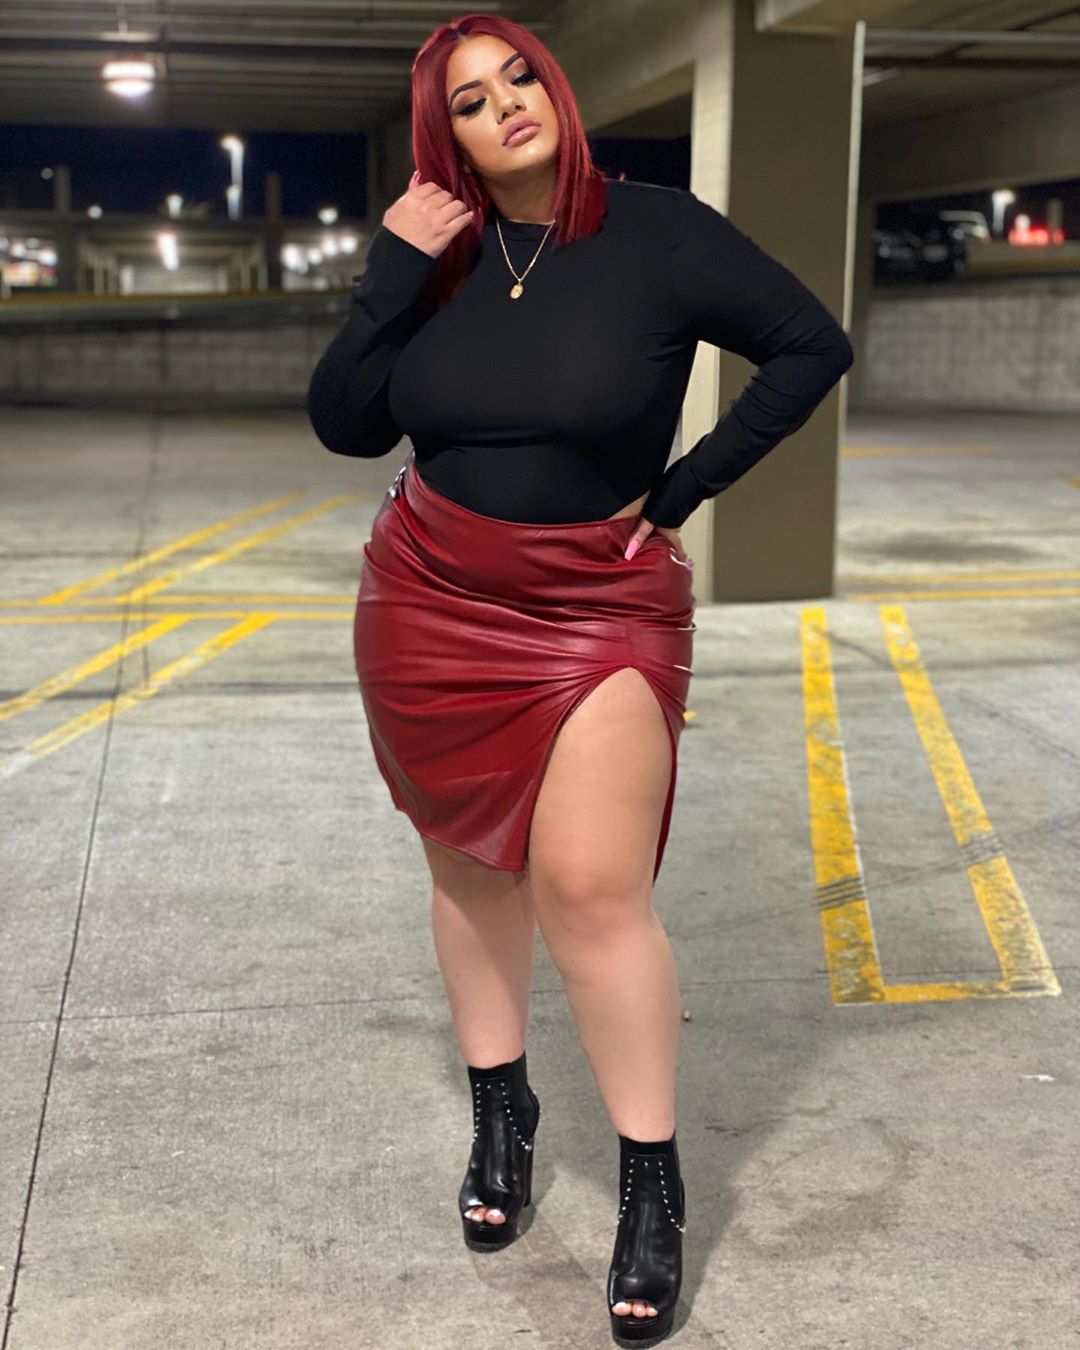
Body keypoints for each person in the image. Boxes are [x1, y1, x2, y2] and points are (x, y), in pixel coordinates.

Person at [306, 14, 853, 1346]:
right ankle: (502, 1115)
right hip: (430, 592)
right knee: (469, 873)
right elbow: (344, 422)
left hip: (598, 601)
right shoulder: (437, 257)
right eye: (470, 99)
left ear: (555, 88)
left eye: (519, 78)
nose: (506, 105)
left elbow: (809, 344)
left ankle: (650, 1181)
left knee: (594, 889)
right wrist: (389, 272)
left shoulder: (658, 232)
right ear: (447, 136)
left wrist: (684, 491)